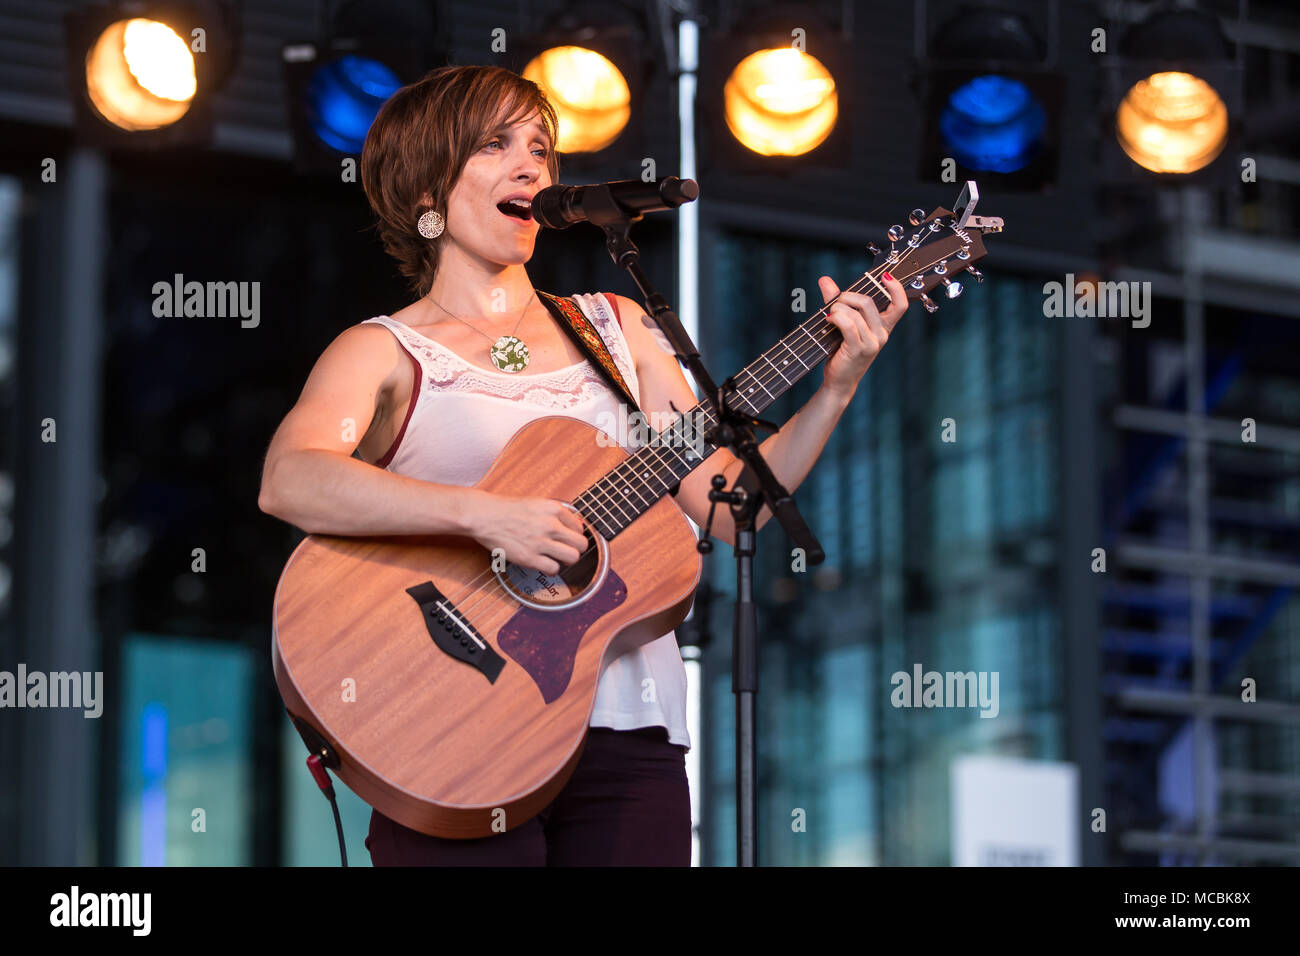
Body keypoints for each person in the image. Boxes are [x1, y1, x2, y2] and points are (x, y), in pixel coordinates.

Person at [257, 64, 909, 866]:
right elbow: (291, 478)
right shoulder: (385, 350)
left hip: (630, 735)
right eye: (496, 146)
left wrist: (835, 390)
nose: (533, 166)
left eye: (540, 146)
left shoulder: (617, 328)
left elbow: (724, 501)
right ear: (426, 191)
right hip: (450, 729)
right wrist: (484, 515)